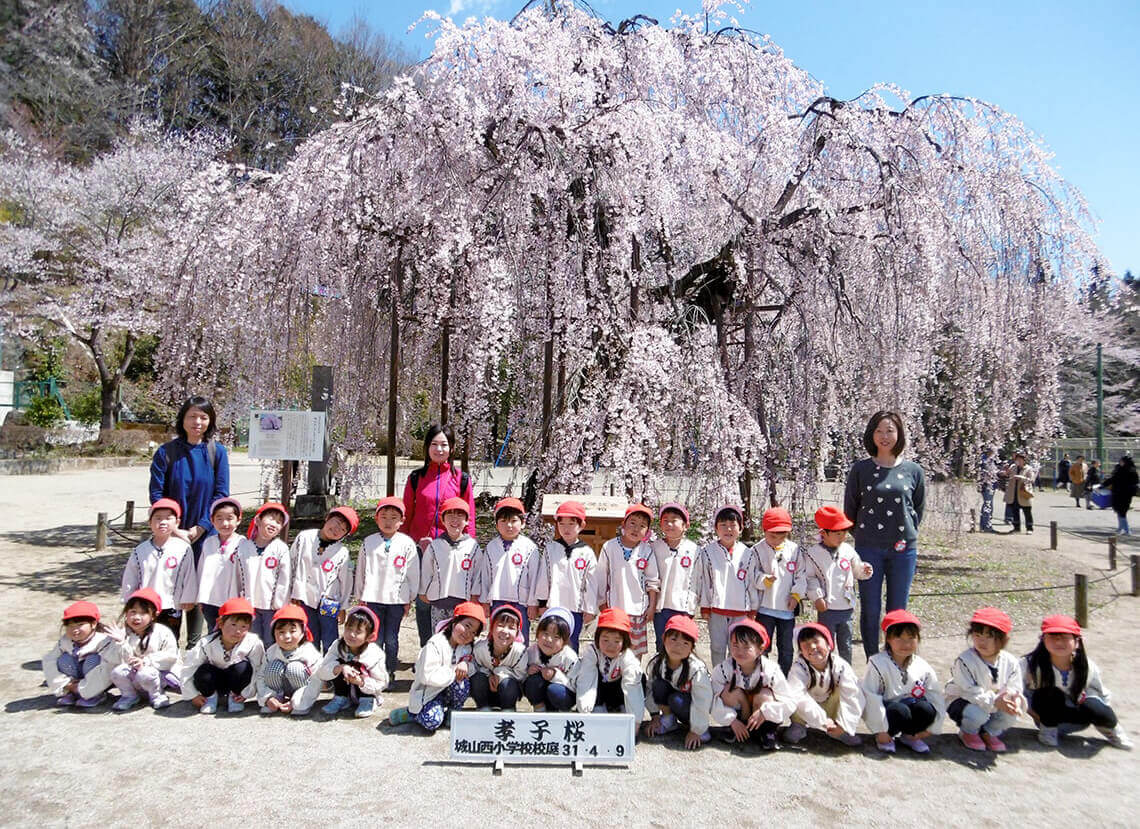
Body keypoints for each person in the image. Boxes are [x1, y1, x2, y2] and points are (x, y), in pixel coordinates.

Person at [148, 395, 230, 646]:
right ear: (182, 419)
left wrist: (201, 527)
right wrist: (174, 528)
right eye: (192, 416)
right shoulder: (166, 453)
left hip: (204, 532)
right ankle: (166, 646)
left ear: (210, 421)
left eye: (203, 417)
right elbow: (156, 494)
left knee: (198, 588)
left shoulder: (217, 453)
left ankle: (194, 645)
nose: (198, 422)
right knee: (169, 586)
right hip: (170, 531)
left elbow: (221, 495)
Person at [843, 411, 926, 658]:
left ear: (899, 434)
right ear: (871, 435)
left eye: (890, 430)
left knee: (898, 608)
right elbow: (850, 509)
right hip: (868, 548)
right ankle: (873, 660)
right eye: (879, 430)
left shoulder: (913, 470)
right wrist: (865, 535)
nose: (884, 436)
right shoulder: (861, 469)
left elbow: (917, 508)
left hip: (903, 549)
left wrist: (905, 531)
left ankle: (896, 658)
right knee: (870, 607)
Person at [400, 424, 476, 647]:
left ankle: (454, 647)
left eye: (444, 444)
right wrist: (405, 545)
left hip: (450, 550)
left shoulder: (461, 479)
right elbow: (407, 513)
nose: (439, 449)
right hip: (420, 549)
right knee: (424, 602)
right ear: (426, 448)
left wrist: (468, 546)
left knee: (451, 599)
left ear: (451, 449)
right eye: (434, 444)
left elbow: (468, 516)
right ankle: (427, 648)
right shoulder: (416, 478)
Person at [1022, 615, 1132, 748]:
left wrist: (1100, 715)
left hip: (1077, 718)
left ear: (1077, 641)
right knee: (1050, 693)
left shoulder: (1088, 667)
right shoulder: (1029, 664)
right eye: (1052, 636)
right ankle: (1048, 732)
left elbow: (1102, 696)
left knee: (1093, 702)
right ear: (1042, 640)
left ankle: (1113, 732)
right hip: (1045, 718)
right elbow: (1016, 691)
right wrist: (1032, 712)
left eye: (1064, 637)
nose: (1058, 642)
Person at [390, 601, 484, 731]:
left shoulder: (466, 647)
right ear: (455, 621)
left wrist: (466, 665)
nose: (468, 633)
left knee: (463, 683)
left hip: (448, 690)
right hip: (430, 693)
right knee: (432, 721)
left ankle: (452, 712)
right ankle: (412, 714)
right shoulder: (435, 644)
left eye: (474, 632)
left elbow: (475, 665)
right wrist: (454, 671)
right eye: (467, 626)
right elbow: (427, 676)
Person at [861, 609, 945, 754]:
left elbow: (935, 695)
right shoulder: (877, 663)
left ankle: (910, 736)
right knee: (900, 711)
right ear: (888, 639)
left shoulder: (922, 665)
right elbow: (871, 697)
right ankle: (885, 737)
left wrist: (933, 728)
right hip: (889, 711)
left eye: (911, 638)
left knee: (925, 709)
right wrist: (880, 730)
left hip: (910, 707)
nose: (905, 644)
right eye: (899, 638)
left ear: (918, 639)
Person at [355, 496, 420, 684]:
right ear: (376, 519)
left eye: (393, 517)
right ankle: (374, 671)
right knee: (374, 638)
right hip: (372, 598)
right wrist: (360, 595)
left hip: (396, 600)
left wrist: (410, 598)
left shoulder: (407, 543)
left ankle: (390, 671)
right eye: (384, 516)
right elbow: (361, 570)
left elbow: (413, 574)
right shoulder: (369, 542)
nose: (388, 521)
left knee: (391, 638)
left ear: (402, 521)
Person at [945, 607, 1024, 753]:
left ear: (1004, 639)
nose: (982, 641)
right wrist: (995, 701)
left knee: (1011, 714)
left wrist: (1014, 701)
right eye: (977, 635)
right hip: (964, 701)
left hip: (994, 702)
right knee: (978, 714)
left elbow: (1015, 686)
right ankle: (968, 731)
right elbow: (969, 691)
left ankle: (989, 732)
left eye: (989, 636)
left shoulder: (1011, 662)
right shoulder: (964, 660)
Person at [801, 506, 873, 664]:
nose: (842, 537)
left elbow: (856, 570)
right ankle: (826, 672)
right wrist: (817, 597)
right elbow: (810, 578)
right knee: (826, 643)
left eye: (844, 532)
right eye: (837, 533)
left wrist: (865, 569)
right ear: (823, 533)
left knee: (846, 644)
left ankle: (846, 673)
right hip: (827, 607)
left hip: (846, 606)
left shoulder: (848, 550)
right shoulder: (813, 553)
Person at [707, 618, 793, 749]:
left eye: (746, 647)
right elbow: (712, 697)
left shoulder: (771, 670)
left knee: (765, 695)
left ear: (760, 649)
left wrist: (766, 712)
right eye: (735, 645)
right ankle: (736, 727)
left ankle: (766, 731)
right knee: (728, 691)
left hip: (761, 715)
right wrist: (731, 720)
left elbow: (789, 702)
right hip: (739, 714)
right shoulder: (724, 669)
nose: (740, 651)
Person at [120, 498, 197, 639]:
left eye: (168, 518)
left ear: (177, 522)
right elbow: (131, 577)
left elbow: (189, 575)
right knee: (143, 637)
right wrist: (128, 600)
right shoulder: (140, 550)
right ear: (150, 522)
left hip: (172, 604)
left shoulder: (183, 549)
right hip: (145, 605)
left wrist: (189, 597)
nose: (162, 522)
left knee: (170, 638)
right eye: (157, 518)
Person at [295, 606, 387, 718]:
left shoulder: (374, 653)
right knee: (339, 663)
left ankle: (367, 701)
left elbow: (381, 682)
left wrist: (362, 682)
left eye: (358, 632)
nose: (351, 634)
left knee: (358, 666)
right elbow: (321, 671)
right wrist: (340, 667)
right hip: (346, 688)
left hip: (368, 691)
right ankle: (342, 697)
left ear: (369, 636)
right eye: (349, 628)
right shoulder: (338, 645)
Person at [594, 504, 659, 657]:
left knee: (636, 651)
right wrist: (602, 603)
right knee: (613, 648)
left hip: (638, 610)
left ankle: (634, 678)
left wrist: (652, 606)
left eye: (642, 526)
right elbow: (601, 576)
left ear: (647, 532)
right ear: (624, 524)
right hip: (615, 607)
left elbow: (653, 580)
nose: (636, 529)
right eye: (633, 523)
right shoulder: (609, 547)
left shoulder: (647, 550)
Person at [529, 500, 597, 648]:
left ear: (582, 525)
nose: (566, 529)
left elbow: (590, 583)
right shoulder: (551, 548)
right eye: (562, 524)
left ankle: (571, 670)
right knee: (551, 641)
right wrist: (541, 602)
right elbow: (543, 577)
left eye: (571, 524)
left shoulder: (587, 552)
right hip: (553, 605)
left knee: (571, 643)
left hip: (575, 607)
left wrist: (590, 608)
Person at [784, 623, 864, 746]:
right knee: (792, 693)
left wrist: (845, 724)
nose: (812, 647)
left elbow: (853, 694)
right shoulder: (799, 667)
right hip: (805, 710)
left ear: (828, 643)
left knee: (845, 690)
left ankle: (840, 730)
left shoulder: (840, 665)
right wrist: (821, 720)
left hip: (830, 707)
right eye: (805, 645)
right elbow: (797, 696)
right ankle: (798, 724)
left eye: (816, 641)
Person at [181, 597, 265, 714]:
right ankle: (210, 697)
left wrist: (246, 693)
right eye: (233, 624)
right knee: (203, 671)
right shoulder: (206, 643)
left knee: (243, 668)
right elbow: (189, 667)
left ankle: (235, 698)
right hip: (215, 680)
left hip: (237, 681)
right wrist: (192, 695)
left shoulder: (253, 642)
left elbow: (258, 668)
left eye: (243, 626)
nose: (238, 631)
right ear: (220, 623)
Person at [290, 506, 357, 652]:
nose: (337, 529)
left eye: (343, 529)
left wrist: (343, 606)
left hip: (329, 600)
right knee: (309, 636)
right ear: (328, 518)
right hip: (304, 596)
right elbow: (292, 564)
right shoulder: (304, 537)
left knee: (329, 638)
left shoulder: (342, 552)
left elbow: (346, 581)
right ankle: (310, 669)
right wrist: (292, 592)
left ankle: (330, 669)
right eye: (337, 522)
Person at [475, 497, 542, 643]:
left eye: (513, 521)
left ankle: (519, 663)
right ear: (497, 525)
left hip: (521, 601)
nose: (509, 525)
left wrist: (533, 602)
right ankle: (496, 661)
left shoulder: (529, 548)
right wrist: (485, 601)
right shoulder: (491, 547)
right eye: (503, 521)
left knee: (520, 635)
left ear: (523, 523)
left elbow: (535, 577)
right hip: (497, 599)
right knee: (497, 634)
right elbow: (485, 576)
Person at [698, 504, 758, 665]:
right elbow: (706, 581)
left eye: (733, 525)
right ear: (716, 529)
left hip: (741, 610)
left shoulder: (747, 553)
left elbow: (751, 582)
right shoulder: (708, 552)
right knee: (717, 647)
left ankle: (735, 680)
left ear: (740, 528)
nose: (728, 529)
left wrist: (753, 608)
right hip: (716, 609)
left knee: (738, 647)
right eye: (723, 525)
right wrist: (705, 606)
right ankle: (718, 678)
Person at [642, 615, 713, 749]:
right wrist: (655, 716)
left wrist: (696, 730)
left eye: (685, 643)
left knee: (676, 699)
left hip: (689, 707)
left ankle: (698, 728)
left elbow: (702, 701)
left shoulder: (697, 669)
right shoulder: (656, 663)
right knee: (658, 685)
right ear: (663, 639)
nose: (678, 646)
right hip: (672, 701)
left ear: (692, 647)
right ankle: (668, 720)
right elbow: (650, 689)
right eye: (673, 639)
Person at [752, 506, 805, 675]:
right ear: (764, 531)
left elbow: (801, 575)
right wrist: (763, 580)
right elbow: (752, 574)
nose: (777, 540)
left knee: (786, 648)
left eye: (782, 536)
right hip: (765, 607)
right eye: (772, 536)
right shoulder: (757, 550)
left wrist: (796, 595)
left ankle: (784, 676)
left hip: (786, 609)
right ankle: (762, 676)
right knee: (762, 645)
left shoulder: (795, 550)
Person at [110, 588, 181, 711]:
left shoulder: (162, 632)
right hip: (133, 675)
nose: (136, 617)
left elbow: (171, 656)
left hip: (157, 674)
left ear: (154, 615)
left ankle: (157, 695)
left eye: (143, 613)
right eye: (132, 612)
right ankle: (129, 696)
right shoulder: (123, 633)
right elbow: (116, 660)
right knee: (117, 672)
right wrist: (121, 643)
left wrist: (146, 661)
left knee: (146, 673)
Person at [419, 496, 481, 631]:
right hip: (438, 601)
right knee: (439, 637)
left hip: (463, 602)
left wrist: (475, 594)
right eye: (450, 515)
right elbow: (427, 571)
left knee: (461, 636)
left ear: (466, 521)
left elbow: (477, 574)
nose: (455, 520)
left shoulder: (472, 547)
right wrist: (423, 591)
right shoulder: (435, 546)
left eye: (460, 515)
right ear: (443, 520)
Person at [572, 608, 645, 721]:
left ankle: (622, 709)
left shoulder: (627, 656)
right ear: (597, 638)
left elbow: (632, 686)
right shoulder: (592, 652)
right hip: (599, 691)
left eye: (616, 641)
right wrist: (585, 712)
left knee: (639, 677)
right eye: (605, 640)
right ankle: (598, 709)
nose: (611, 646)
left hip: (618, 692)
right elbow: (586, 680)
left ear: (624, 641)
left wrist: (635, 721)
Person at [235, 502, 292, 644]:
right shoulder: (244, 546)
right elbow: (237, 576)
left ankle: (268, 665)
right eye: (271, 518)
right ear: (258, 520)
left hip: (271, 606)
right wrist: (237, 599)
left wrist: (279, 604)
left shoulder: (280, 548)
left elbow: (284, 579)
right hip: (249, 604)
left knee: (270, 640)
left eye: (279, 522)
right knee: (250, 640)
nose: (274, 524)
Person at [43, 601, 118, 708]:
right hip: (74, 680)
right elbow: (49, 661)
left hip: (98, 681)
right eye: (70, 626)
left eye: (80, 625)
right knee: (63, 659)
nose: (75, 630)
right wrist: (65, 684)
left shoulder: (104, 641)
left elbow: (109, 666)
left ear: (93, 624)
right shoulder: (65, 641)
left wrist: (84, 688)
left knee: (93, 660)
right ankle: (71, 693)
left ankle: (95, 695)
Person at [651, 502, 702, 650]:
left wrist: (697, 603)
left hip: (684, 607)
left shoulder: (694, 550)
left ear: (686, 525)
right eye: (665, 520)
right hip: (661, 607)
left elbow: (699, 579)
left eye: (674, 520)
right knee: (662, 642)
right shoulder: (654, 547)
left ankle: (682, 673)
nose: (669, 524)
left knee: (683, 644)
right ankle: (661, 672)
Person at [255, 604, 321, 715]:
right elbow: (261, 676)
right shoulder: (271, 651)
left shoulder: (309, 652)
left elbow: (317, 681)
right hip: (279, 688)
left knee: (294, 667)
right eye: (281, 632)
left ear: (303, 632)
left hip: (302, 690)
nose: (287, 636)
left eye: (292, 631)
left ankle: (300, 702)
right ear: (273, 633)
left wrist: (295, 703)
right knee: (273, 667)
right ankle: (276, 699)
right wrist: (267, 698)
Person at [194, 497, 244, 633]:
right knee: (213, 631)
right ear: (212, 521)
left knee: (232, 632)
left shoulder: (243, 543)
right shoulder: (209, 542)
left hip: (231, 599)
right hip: (210, 599)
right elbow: (201, 570)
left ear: (238, 519)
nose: (225, 523)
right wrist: (200, 596)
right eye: (219, 519)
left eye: (229, 518)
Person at [470, 605, 528, 710]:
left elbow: (521, 675)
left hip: (508, 692)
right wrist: (489, 675)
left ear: (517, 633)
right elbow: (474, 667)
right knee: (477, 678)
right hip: (486, 691)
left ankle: (508, 709)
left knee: (508, 683)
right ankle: (483, 707)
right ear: (491, 629)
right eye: (500, 625)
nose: (505, 631)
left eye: (511, 628)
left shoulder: (520, 651)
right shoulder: (480, 648)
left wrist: (499, 674)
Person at [523, 607, 579, 712]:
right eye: (546, 634)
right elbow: (520, 676)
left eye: (556, 637)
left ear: (565, 641)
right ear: (538, 634)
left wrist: (555, 676)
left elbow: (576, 686)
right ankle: (540, 710)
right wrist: (528, 672)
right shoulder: (531, 652)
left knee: (555, 690)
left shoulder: (569, 657)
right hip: (542, 695)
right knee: (533, 681)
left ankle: (563, 713)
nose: (549, 640)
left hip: (563, 695)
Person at [1102, 455, 1138, 536]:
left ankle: (1127, 529)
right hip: (1126, 494)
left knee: (1121, 511)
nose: (1120, 462)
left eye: (1121, 461)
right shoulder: (1132, 470)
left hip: (1121, 493)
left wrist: (1103, 485)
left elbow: (1113, 479)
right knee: (1120, 511)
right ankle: (1121, 528)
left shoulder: (1123, 470)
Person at [1003, 450, 1036, 533]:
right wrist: (1006, 471)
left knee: (1027, 511)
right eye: (1017, 459)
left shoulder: (1029, 468)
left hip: (1023, 492)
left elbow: (1032, 480)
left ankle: (1029, 528)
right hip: (1013, 492)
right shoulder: (1013, 467)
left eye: (1020, 459)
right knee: (1015, 511)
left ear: (1024, 460)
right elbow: (1007, 475)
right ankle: (1016, 528)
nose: (1018, 461)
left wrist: (1022, 478)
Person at [977, 447, 997, 532]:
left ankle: (984, 525)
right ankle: (986, 525)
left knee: (989, 504)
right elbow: (986, 472)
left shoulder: (991, 460)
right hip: (986, 484)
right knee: (987, 504)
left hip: (991, 485)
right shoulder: (984, 460)